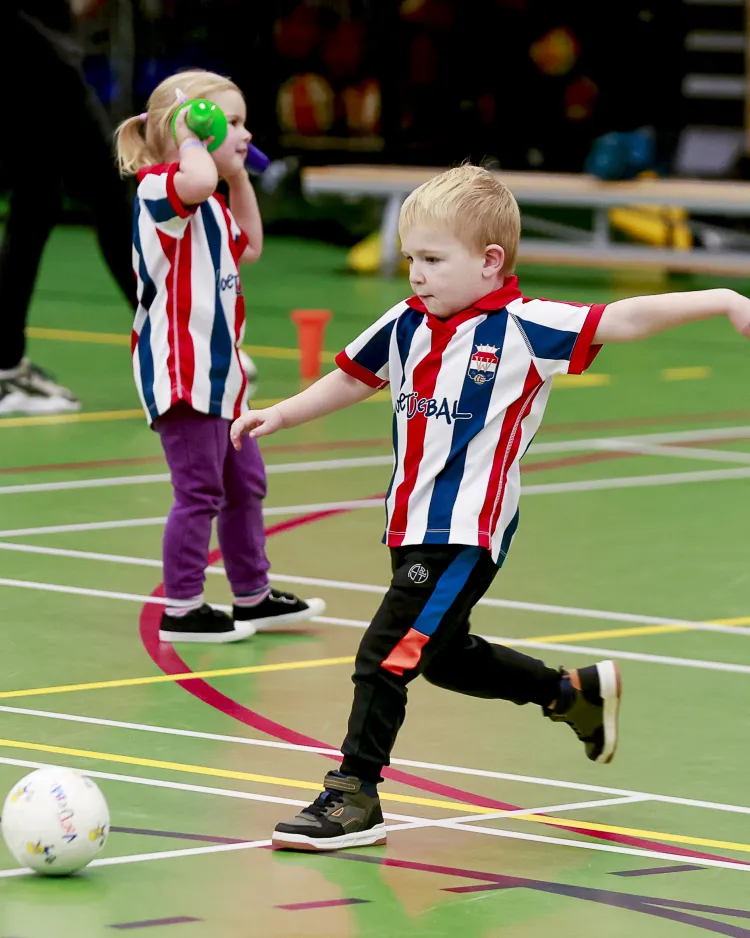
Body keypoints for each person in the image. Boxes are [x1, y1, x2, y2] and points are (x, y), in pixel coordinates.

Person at [231, 164, 750, 851]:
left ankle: (354, 794)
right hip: (409, 527)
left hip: (467, 534)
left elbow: (622, 319)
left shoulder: (526, 328)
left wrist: (719, 296)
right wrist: (282, 415)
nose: (415, 273)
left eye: (433, 260)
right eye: (411, 258)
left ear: (489, 261)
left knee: (384, 656)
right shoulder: (406, 323)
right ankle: (571, 694)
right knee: (441, 657)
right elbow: (351, 378)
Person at [115, 68, 325, 643]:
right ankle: (182, 607)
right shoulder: (162, 189)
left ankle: (252, 596)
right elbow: (198, 179)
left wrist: (241, 176)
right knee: (200, 492)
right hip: (183, 375)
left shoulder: (213, 204)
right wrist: (191, 138)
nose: (246, 133)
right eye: (230, 122)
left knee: (245, 486)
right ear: (194, 129)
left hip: (223, 377)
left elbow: (251, 244)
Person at [0, 0, 138, 415]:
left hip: (34, 37)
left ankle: (4, 365)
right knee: (106, 186)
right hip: (31, 41)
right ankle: (179, 347)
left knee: (37, 197)